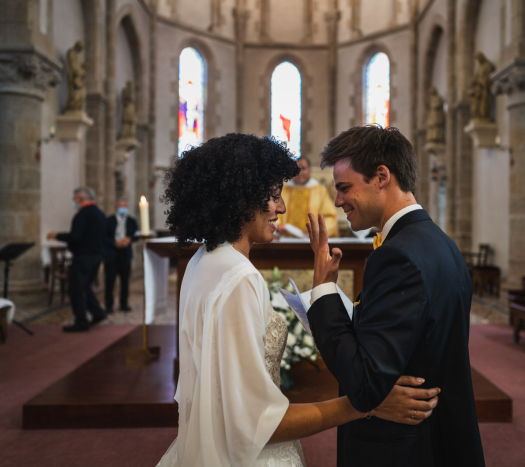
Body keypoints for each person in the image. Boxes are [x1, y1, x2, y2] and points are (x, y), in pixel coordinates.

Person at [156, 133, 440, 467]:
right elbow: (253, 423)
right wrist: (366, 403)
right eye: (274, 196)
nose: (282, 207)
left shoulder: (201, 261)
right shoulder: (239, 277)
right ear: (241, 198)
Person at [305, 125, 485, 466]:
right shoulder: (441, 243)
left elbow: (364, 384)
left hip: (401, 448)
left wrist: (324, 291)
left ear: (381, 176)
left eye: (345, 188)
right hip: (439, 436)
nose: (338, 201)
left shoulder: (397, 255)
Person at [47, 186, 107, 333]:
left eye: (74, 199)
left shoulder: (82, 214)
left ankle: (81, 322)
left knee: (77, 290)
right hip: (97, 256)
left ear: (80, 199)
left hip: (83, 257)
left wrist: (57, 235)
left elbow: (75, 237)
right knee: (85, 286)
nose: (74, 202)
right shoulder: (100, 213)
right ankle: (98, 313)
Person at [277, 156, 338, 237]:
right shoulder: (283, 190)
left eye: (303, 168)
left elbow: (330, 217)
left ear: (310, 171)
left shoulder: (320, 191)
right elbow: (274, 212)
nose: (299, 173)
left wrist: (316, 230)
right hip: (285, 241)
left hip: (311, 241)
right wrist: (277, 226)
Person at [104, 198, 139, 314]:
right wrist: (114, 242)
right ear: (116, 207)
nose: (123, 208)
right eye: (121, 205)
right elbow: (103, 236)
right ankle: (108, 305)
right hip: (112, 254)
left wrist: (129, 239)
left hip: (125, 254)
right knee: (110, 281)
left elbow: (136, 235)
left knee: (125, 281)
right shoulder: (108, 220)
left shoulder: (131, 221)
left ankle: (124, 303)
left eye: (125, 205)